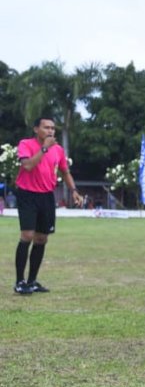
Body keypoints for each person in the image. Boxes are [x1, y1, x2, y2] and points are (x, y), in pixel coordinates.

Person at [12, 117, 84, 295]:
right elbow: (28, 165)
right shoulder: (25, 144)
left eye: (53, 128)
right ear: (36, 129)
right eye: (46, 127)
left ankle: (32, 281)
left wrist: (74, 190)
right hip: (27, 194)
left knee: (41, 239)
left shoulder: (58, 150)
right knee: (27, 235)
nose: (51, 131)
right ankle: (20, 281)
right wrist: (44, 148)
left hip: (46, 196)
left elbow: (65, 172)